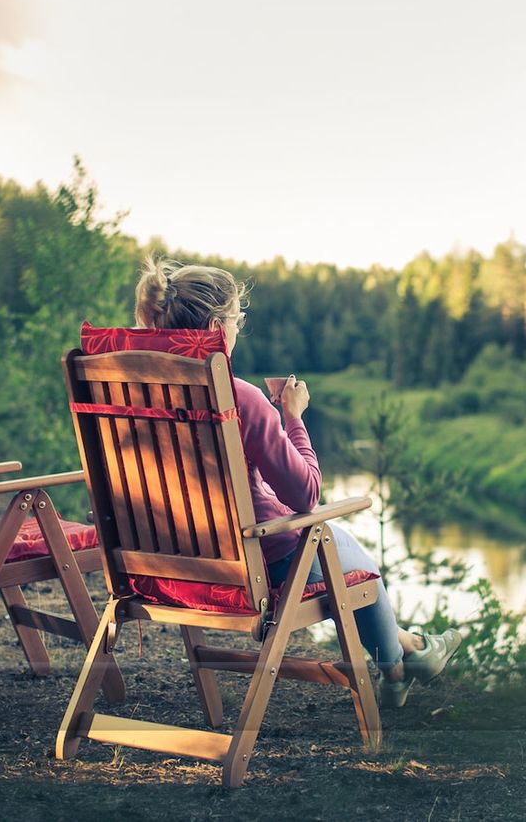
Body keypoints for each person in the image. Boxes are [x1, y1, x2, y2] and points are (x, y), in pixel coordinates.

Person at [134, 256, 463, 707]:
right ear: (215, 325)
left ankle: (411, 653)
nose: (236, 328)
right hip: (258, 560)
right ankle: (401, 663)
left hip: (170, 565)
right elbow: (306, 494)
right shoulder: (240, 398)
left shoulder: (132, 394)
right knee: (346, 554)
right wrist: (292, 417)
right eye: (235, 320)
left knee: (339, 553)